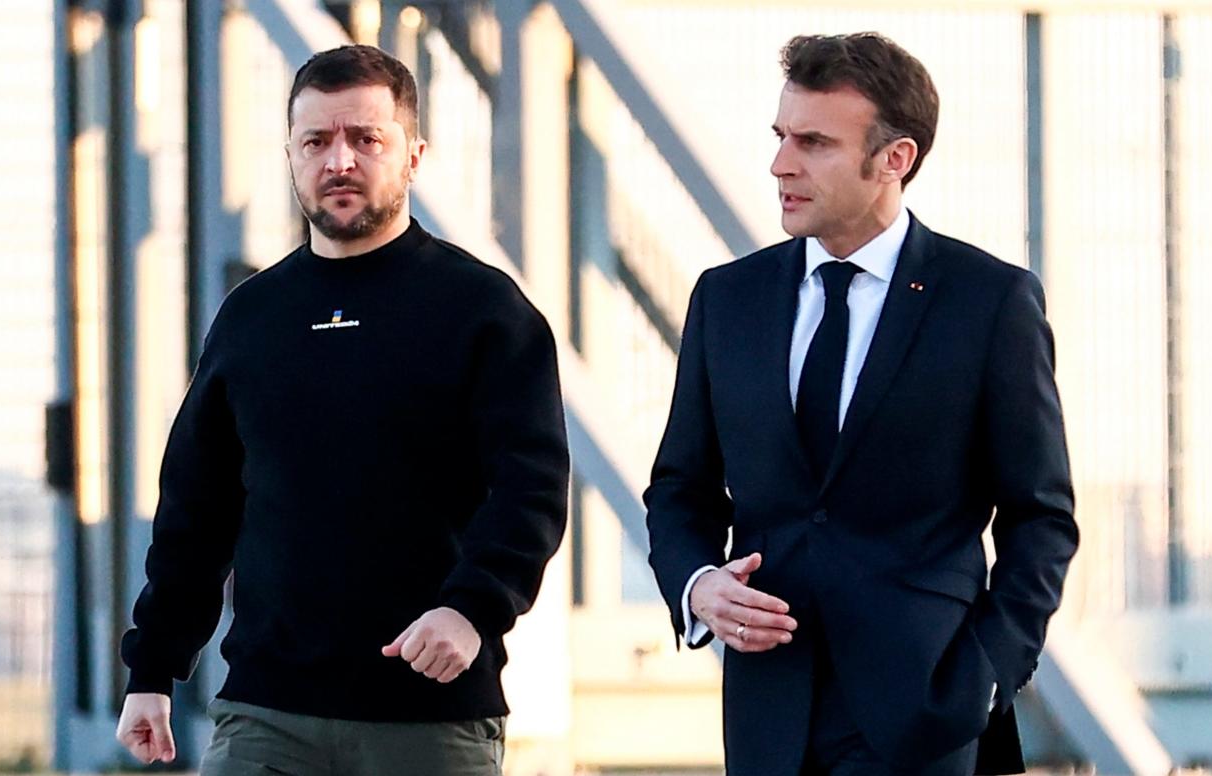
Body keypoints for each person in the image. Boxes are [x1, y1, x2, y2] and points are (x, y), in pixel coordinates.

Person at [114, 44, 569, 776]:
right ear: (291, 156)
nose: (340, 161)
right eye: (316, 141)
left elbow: (532, 493)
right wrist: (152, 671)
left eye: (366, 138)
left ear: (414, 155)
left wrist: (472, 609)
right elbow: (196, 512)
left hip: (431, 714)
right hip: (265, 714)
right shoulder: (251, 318)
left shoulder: (483, 311)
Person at [644, 32, 1077, 776]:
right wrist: (697, 585)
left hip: (926, 710)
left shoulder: (987, 301)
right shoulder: (727, 298)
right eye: (780, 136)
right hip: (766, 713)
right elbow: (679, 490)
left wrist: (987, 676)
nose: (780, 163)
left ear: (893, 160)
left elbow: (1040, 517)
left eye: (813, 142)